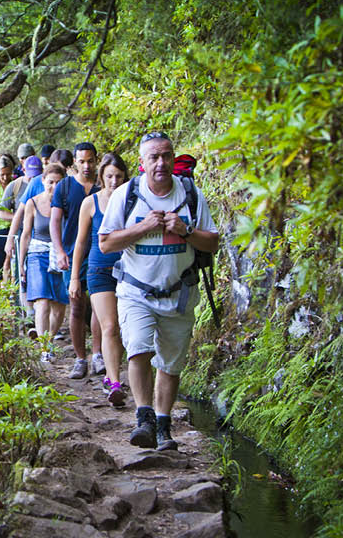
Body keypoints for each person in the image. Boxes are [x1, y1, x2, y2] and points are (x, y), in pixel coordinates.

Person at [98, 131, 219, 451]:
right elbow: (106, 242)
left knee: (170, 363)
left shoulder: (191, 194)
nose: (161, 163)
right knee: (138, 349)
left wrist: (186, 230)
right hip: (135, 291)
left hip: (179, 292)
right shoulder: (126, 195)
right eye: (153, 157)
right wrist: (143, 227)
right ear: (142, 163)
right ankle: (144, 418)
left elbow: (213, 242)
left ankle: (164, 425)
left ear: (173, 157)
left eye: (166, 155)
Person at [70, 153, 130, 406]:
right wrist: (75, 278)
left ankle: (115, 370)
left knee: (126, 329)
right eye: (109, 176)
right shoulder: (91, 203)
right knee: (109, 326)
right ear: (101, 177)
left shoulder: (133, 200)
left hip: (130, 271)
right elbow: (81, 242)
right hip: (98, 270)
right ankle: (114, 381)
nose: (114, 181)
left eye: (118, 176)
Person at [49, 142, 100, 380]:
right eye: (82, 161)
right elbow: (55, 221)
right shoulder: (65, 187)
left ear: (96, 160)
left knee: (100, 307)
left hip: (101, 254)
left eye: (90, 160)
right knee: (77, 306)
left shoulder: (104, 185)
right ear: (75, 163)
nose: (87, 166)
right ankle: (81, 358)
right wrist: (59, 251)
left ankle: (99, 354)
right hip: (73, 254)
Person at [18, 163, 69, 360]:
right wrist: (21, 262)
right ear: (43, 182)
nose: (54, 187)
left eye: (58, 183)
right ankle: (44, 350)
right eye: (50, 182)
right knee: (42, 301)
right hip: (37, 253)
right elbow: (26, 234)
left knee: (59, 305)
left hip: (60, 253)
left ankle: (50, 340)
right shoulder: (32, 202)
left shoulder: (68, 203)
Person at [0, 155, 42, 283]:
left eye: (36, 175)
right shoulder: (15, 186)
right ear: (23, 170)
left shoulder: (47, 184)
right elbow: (2, 212)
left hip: (40, 235)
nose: (33, 179)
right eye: (31, 175)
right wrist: (11, 237)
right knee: (19, 269)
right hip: (21, 233)